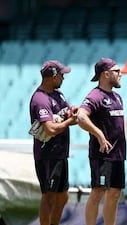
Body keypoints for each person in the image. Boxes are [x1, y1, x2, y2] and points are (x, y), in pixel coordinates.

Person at [77, 58, 127, 225]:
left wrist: (124, 140)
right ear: (106, 74)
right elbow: (81, 117)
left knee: (115, 194)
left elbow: (122, 119)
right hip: (102, 155)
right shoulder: (95, 96)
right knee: (98, 192)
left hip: (118, 154)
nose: (121, 74)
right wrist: (99, 134)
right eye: (117, 71)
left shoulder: (117, 97)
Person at [29, 60, 78, 225]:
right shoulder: (40, 99)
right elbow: (49, 129)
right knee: (48, 196)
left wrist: (73, 112)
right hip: (47, 155)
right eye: (62, 75)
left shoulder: (58, 94)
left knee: (63, 195)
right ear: (53, 76)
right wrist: (68, 122)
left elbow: (67, 110)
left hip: (60, 153)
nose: (63, 78)